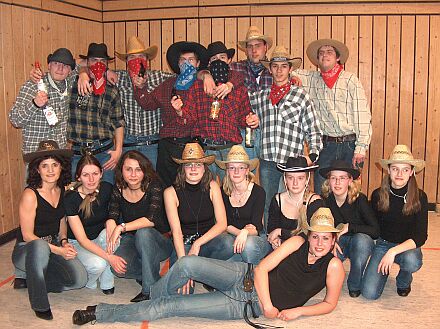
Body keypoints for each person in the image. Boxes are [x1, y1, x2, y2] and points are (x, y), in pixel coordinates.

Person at [72, 207, 345, 325]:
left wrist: (298, 311)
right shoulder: (297, 243)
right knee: (187, 262)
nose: (319, 243)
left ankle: (100, 312)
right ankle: (154, 292)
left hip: (244, 305)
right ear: (309, 235)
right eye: (316, 236)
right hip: (245, 274)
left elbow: (330, 303)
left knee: (172, 307)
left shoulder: (333, 267)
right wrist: (271, 306)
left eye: (326, 238)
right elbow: (261, 269)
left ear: (333, 240)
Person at [11, 140, 87, 320]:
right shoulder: (30, 194)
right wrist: (58, 250)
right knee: (39, 246)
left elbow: (62, 221)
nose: (50, 170)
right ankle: (39, 303)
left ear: (61, 167)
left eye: (55, 165)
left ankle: (32, 280)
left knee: (79, 279)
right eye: (45, 166)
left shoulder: (61, 189)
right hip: (28, 249)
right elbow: (29, 235)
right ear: (37, 169)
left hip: (52, 244)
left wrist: (64, 241)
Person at [249, 45, 322, 229]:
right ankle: (269, 241)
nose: (279, 71)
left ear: (290, 69)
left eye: (283, 66)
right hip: (268, 162)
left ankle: (294, 242)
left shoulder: (301, 96)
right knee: (269, 205)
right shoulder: (260, 97)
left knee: (294, 205)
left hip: (292, 165)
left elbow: (313, 129)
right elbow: (243, 106)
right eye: (275, 66)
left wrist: (312, 155)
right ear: (270, 68)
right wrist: (249, 117)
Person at [295, 39, 372, 194]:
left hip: (349, 144)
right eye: (321, 53)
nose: (325, 55)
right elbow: (285, 70)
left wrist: (361, 147)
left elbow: (362, 115)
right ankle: (321, 218)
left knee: (350, 191)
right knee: (321, 189)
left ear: (338, 57)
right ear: (317, 59)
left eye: (329, 52)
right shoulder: (311, 79)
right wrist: (293, 77)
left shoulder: (350, 80)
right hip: (325, 145)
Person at [175, 41, 258, 181]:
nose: (218, 61)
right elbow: (189, 119)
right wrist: (179, 111)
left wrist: (250, 120)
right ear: (208, 63)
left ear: (229, 60)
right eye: (214, 59)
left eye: (222, 58)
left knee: (231, 192)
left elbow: (244, 117)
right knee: (207, 194)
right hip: (205, 150)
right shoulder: (198, 87)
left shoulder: (238, 88)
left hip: (230, 149)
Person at [133, 41, 212, 186]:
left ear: (198, 63)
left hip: (190, 145)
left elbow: (197, 118)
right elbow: (148, 103)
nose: (186, 64)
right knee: (165, 187)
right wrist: (141, 88)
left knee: (189, 187)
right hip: (167, 146)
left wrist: (180, 112)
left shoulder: (201, 86)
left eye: (191, 60)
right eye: (183, 60)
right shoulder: (168, 84)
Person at [362, 145, 427, 299]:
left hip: (407, 246)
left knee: (412, 262)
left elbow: (420, 237)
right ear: (389, 170)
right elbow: (372, 226)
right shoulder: (378, 195)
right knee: (369, 294)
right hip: (383, 243)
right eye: (395, 168)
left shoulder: (420, 197)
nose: (399, 173)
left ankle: (404, 280)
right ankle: (383, 269)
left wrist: (393, 252)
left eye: (405, 169)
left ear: (411, 172)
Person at [106, 150, 172, 303]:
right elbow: (112, 214)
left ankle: (149, 290)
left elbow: (151, 219)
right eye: (128, 169)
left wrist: (120, 227)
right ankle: (150, 275)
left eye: (138, 169)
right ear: (121, 170)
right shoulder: (118, 188)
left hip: (159, 241)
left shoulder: (154, 185)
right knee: (118, 268)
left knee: (143, 232)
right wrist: (110, 222)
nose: (133, 174)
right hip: (132, 238)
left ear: (145, 170)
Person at [65, 155, 126, 295]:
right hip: (79, 243)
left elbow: (114, 211)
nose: (91, 179)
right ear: (78, 177)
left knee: (111, 234)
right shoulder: (70, 198)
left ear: (101, 174)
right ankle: (89, 280)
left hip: (100, 238)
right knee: (98, 264)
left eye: (95, 174)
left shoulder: (106, 188)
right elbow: (82, 240)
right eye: (86, 175)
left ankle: (107, 279)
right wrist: (110, 258)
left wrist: (111, 222)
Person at [164, 142, 232, 268]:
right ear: (183, 169)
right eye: (189, 165)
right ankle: (199, 269)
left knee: (227, 243)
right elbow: (176, 232)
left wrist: (198, 244)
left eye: (198, 164)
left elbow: (222, 224)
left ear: (204, 168)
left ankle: (204, 271)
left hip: (207, 242)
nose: (193, 169)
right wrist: (183, 262)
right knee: (182, 286)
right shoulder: (170, 193)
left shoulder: (213, 186)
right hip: (183, 245)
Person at [319, 160, 379, 297]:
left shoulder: (360, 200)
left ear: (350, 180)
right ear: (328, 181)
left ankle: (354, 284)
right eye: (333, 178)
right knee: (324, 254)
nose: (337, 182)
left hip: (360, 240)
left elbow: (375, 231)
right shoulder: (325, 200)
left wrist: (350, 227)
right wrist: (331, 241)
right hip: (339, 241)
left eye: (342, 178)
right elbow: (322, 226)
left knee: (361, 242)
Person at [69, 43, 125, 183]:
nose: (98, 64)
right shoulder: (72, 84)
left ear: (107, 64)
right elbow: (66, 64)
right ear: (87, 61)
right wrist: (83, 72)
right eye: (94, 60)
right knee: (76, 193)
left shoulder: (111, 89)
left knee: (106, 192)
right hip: (78, 152)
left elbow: (118, 122)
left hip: (104, 151)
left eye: (102, 61)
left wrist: (118, 151)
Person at [9, 48, 76, 156]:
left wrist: (83, 75)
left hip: (59, 156)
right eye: (56, 63)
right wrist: (34, 104)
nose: (60, 68)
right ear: (49, 66)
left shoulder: (71, 83)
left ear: (70, 71)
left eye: (66, 65)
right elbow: (15, 119)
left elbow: (86, 62)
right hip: (36, 157)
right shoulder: (33, 85)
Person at [215, 145, 270, 264]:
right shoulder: (222, 191)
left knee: (248, 245)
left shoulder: (258, 192)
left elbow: (257, 227)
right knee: (223, 242)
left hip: (255, 238)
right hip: (232, 236)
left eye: (241, 167)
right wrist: (240, 233)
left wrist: (245, 233)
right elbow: (224, 223)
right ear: (227, 171)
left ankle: (250, 275)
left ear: (247, 170)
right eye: (232, 168)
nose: (236, 172)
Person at [267, 156, 322, 249]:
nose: (295, 183)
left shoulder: (315, 202)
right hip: (281, 248)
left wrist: (281, 232)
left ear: (306, 179)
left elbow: (312, 236)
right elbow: (271, 230)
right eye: (290, 178)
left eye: (300, 178)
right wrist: (275, 240)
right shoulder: (277, 200)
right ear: (285, 179)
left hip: (307, 250)